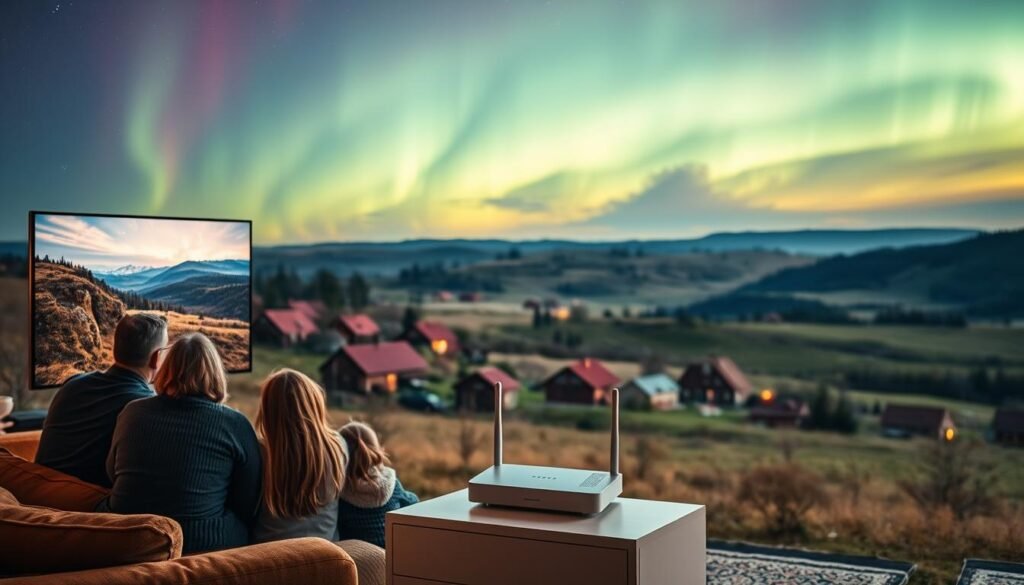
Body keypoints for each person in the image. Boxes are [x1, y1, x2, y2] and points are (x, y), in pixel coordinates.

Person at [102, 333, 261, 554]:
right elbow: (248, 501)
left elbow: (111, 473)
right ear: (215, 373)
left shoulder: (132, 412)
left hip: (127, 536)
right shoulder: (235, 423)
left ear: (166, 368)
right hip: (200, 541)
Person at [35, 313, 168, 487]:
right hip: (86, 506)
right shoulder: (142, 407)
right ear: (156, 358)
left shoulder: (73, 384)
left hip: (37, 491)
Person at [252, 369, 348, 543]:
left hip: (268, 556)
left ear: (268, 410)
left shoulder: (258, 451)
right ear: (314, 404)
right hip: (325, 552)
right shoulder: (338, 446)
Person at [336, 421, 418, 548]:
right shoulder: (391, 485)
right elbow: (412, 502)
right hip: (391, 554)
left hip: (357, 557)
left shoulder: (339, 490)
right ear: (378, 449)